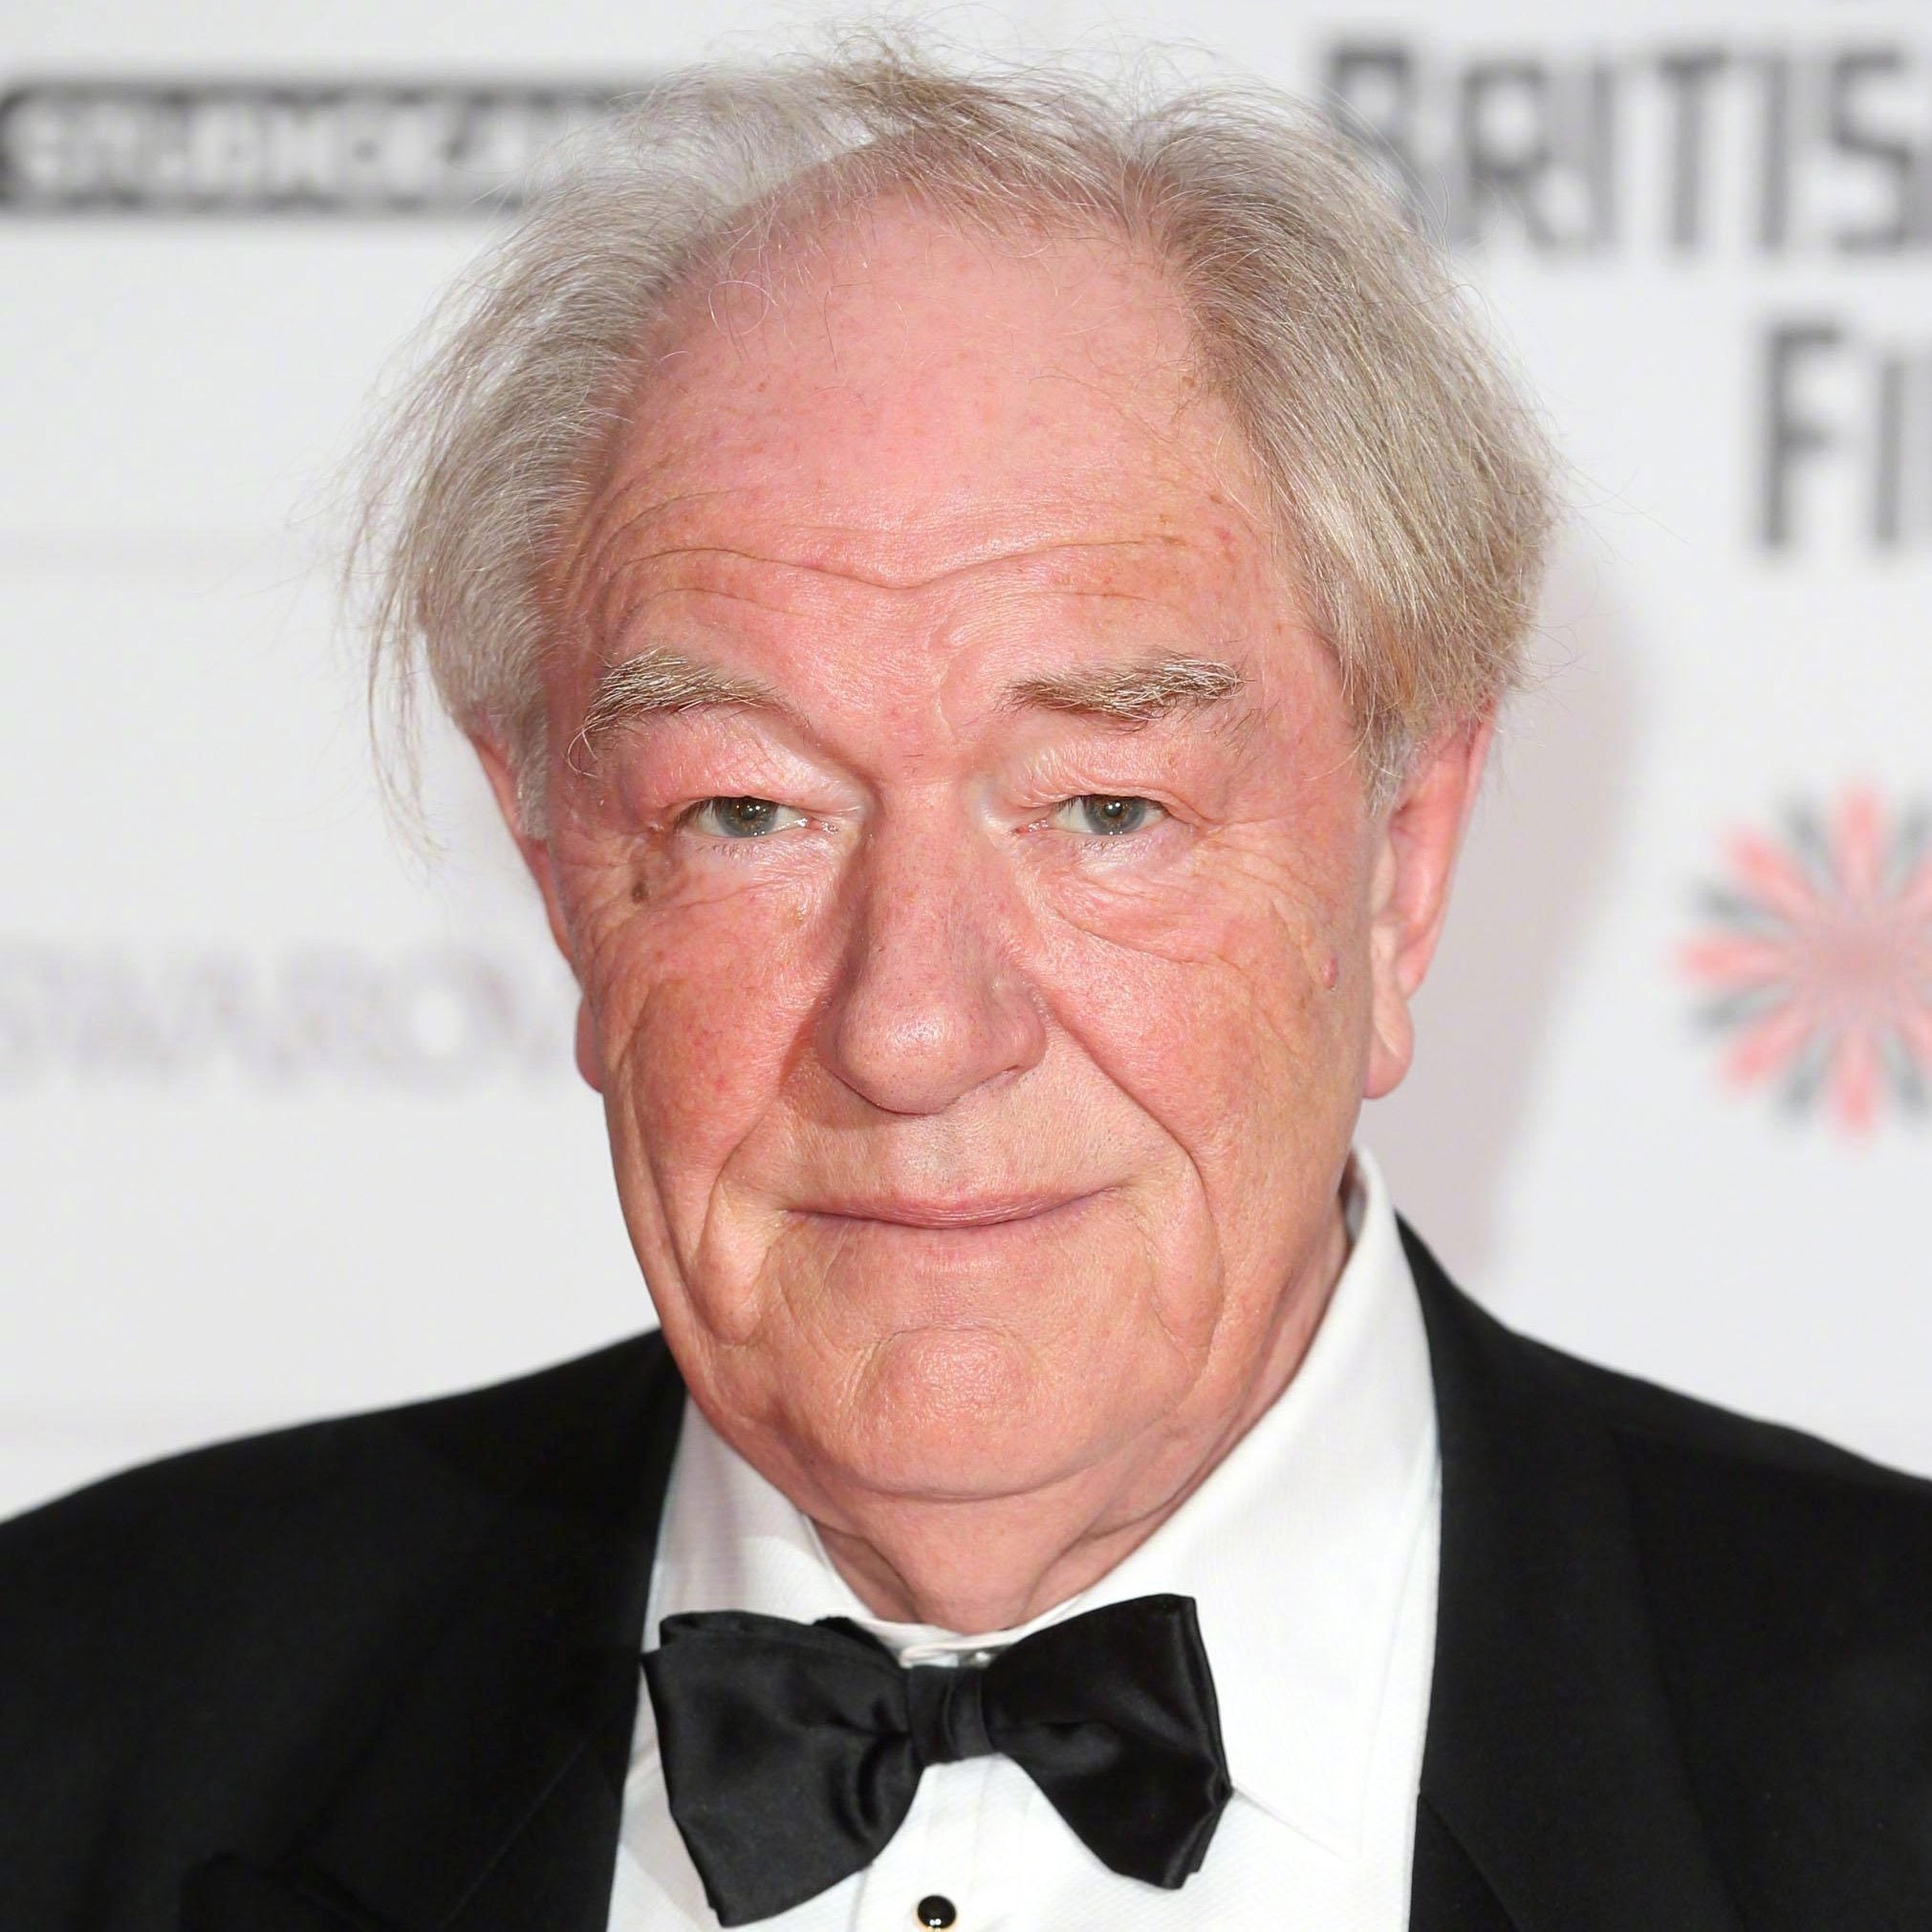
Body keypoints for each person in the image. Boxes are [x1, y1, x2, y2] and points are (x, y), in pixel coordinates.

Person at [4, 41, 1928, 1932]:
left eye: (1105, 807)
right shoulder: (68, 1729)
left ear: (1397, 864)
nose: (913, 1031)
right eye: (749, 811)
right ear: (563, 867)